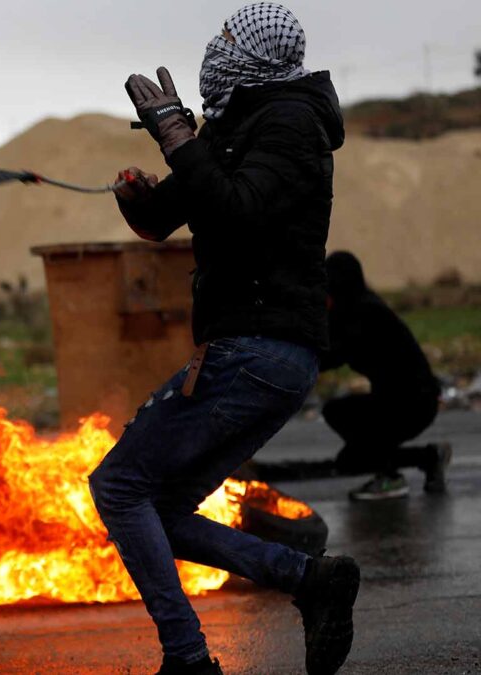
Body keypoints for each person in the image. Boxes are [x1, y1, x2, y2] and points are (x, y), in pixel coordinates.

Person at [86, 4, 357, 674]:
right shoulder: (241, 121)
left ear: (261, 58)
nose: (218, 50)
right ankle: (308, 579)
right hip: (255, 354)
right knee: (164, 508)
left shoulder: (290, 123)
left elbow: (237, 212)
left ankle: (187, 658)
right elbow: (174, 214)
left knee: (120, 486)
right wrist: (140, 196)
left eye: (232, 41)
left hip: (259, 348)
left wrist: (177, 133)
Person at [318, 251, 450, 499]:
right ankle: (427, 457)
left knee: (350, 450)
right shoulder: (357, 308)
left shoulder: (364, 313)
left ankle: (390, 477)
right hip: (405, 401)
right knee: (349, 449)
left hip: (412, 404)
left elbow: (334, 353)